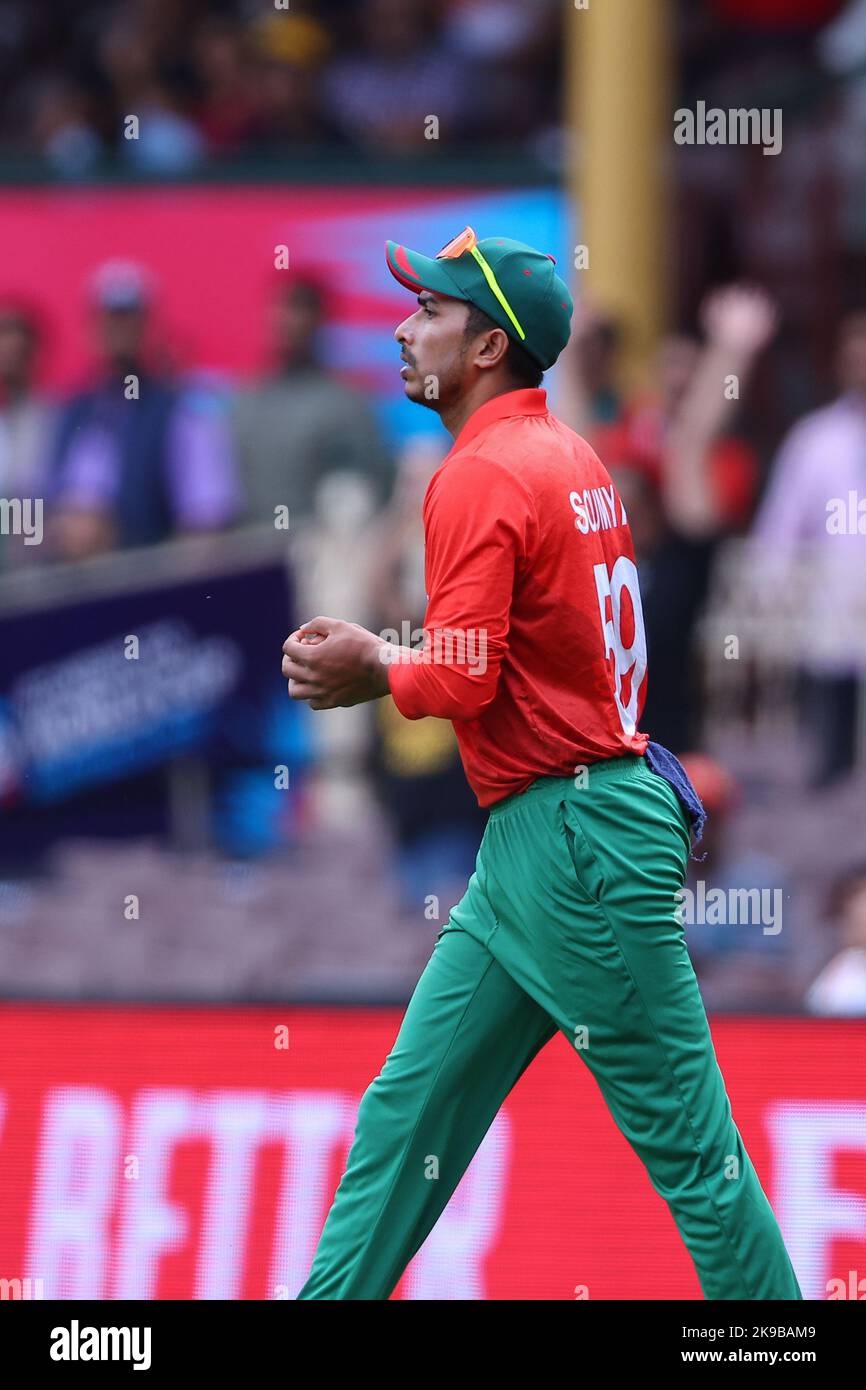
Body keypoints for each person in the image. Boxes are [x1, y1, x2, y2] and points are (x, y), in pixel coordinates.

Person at [281, 227, 802, 1301]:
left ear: (485, 347)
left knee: (692, 1156)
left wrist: (375, 661)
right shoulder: (569, 455)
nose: (403, 326)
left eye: (428, 311)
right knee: (408, 1113)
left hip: (575, 834)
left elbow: (463, 677)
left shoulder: (479, 471)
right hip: (549, 828)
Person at [48, 260, 240, 559]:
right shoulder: (71, 411)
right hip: (70, 587)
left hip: (143, 585)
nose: (118, 328)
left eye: (129, 317)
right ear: (92, 324)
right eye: (110, 316)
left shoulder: (180, 410)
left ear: (148, 324)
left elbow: (206, 519)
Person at [752, 311, 866, 787]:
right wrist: (768, 612)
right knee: (832, 772)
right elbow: (777, 535)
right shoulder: (815, 440)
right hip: (834, 630)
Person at [232, 275, 393, 526]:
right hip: (246, 556)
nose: (284, 319)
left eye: (297, 308)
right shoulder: (246, 400)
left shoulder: (346, 406)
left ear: (319, 319)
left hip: (318, 557)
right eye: (278, 307)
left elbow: (369, 494)